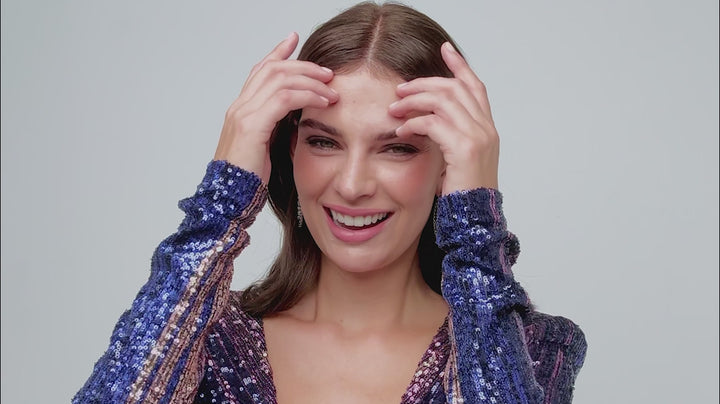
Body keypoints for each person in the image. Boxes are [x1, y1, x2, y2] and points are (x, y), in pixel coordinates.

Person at [73, 2, 586, 403]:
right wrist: (220, 203)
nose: (352, 184)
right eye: (324, 141)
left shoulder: (537, 350)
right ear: (289, 151)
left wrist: (476, 222)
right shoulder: (200, 340)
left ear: (447, 168)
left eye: (398, 147)